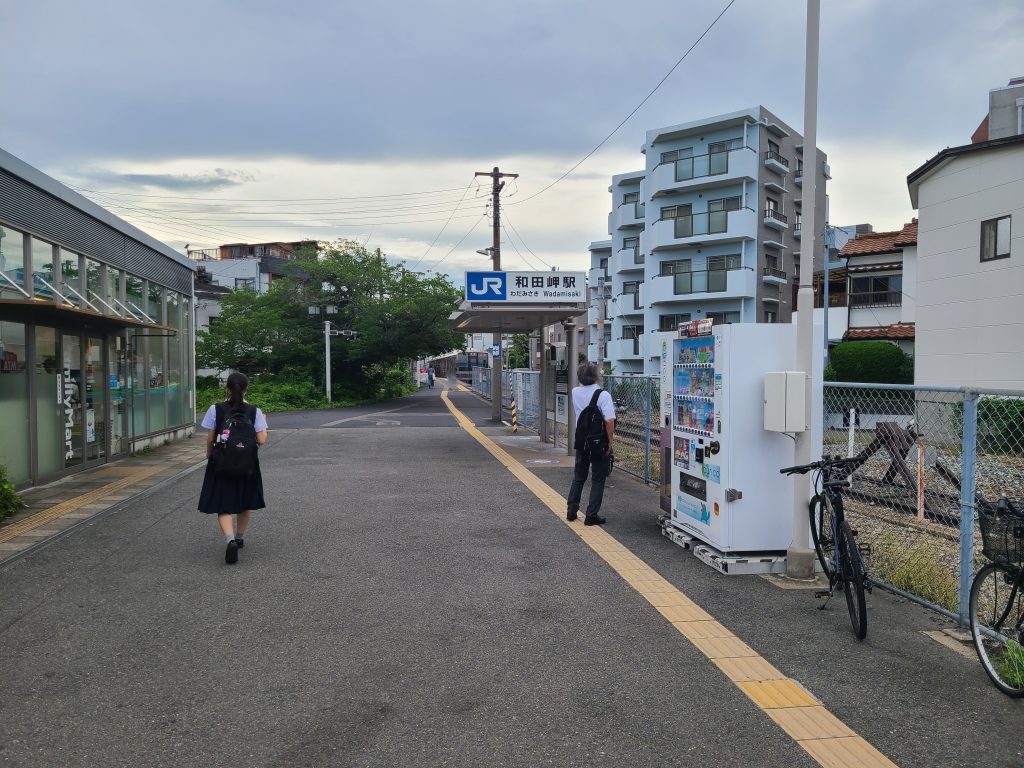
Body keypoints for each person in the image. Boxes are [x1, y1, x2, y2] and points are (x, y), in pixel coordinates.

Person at [197, 372, 268, 564]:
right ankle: (239, 537)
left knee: (223, 503)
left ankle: (229, 540)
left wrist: (209, 454)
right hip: (247, 463)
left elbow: (211, 438)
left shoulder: (216, 409)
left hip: (221, 463)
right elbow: (261, 440)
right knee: (244, 502)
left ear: (227, 388)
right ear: (246, 388)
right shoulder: (255, 411)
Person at [566, 362, 616, 526]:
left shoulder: (575, 392)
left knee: (579, 477)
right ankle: (591, 515)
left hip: (581, 441)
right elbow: (609, 421)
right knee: (597, 479)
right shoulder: (603, 395)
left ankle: (571, 511)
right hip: (598, 443)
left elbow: (583, 387)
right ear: (596, 377)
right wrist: (610, 442)